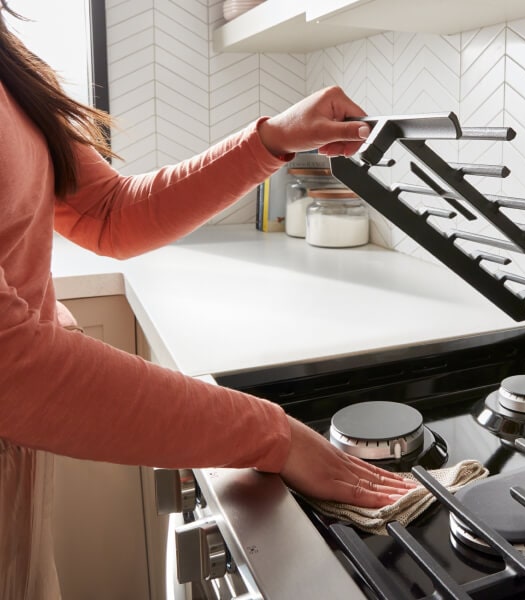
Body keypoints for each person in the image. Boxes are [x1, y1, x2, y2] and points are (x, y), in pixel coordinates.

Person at [0, 3, 416, 598]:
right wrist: (275, 434)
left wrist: (272, 140)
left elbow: (108, 213)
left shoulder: (9, 57)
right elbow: (10, 368)